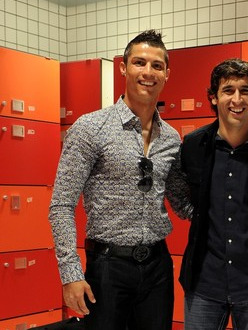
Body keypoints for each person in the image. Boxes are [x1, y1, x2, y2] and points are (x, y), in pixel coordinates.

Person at [48, 30, 192, 330]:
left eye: (157, 65)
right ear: (123, 68)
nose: (148, 72)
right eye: (140, 63)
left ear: (167, 73)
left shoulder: (170, 138)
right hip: (108, 267)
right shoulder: (90, 128)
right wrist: (71, 273)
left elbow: (182, 204)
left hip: (157, 266)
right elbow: (61, 205)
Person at [179, 58, 248, 330]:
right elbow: (181, 196)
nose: (237, 99)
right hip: (205, 283)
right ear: (214, 98)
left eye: (245, 90)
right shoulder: (194, 146)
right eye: (228, 90)